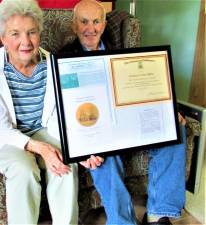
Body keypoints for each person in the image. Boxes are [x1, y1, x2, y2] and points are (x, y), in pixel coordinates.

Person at [59, 0, 187, 225]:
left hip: (129, 124)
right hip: (98, 130)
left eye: (97, 21)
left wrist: (168, 110)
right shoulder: (63, 59)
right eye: (84, 21)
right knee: (100, 156)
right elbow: (62, 110)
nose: (91, 28)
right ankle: (122, 221)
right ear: (74, 25)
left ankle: (158, 214)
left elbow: (144, 89)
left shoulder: (121, 54)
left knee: (174, 129)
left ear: (104, 23)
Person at [0, 0, 78, 224]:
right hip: (6, 136)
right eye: (15, 34)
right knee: (23, 169)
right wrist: (40, 149)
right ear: (2, 37)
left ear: (39, 33)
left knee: (66, 163)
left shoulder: (51, 63)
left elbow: (56, 118)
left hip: (42, 129)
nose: (25, 42)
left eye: (31, 32)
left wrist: (77, 148)